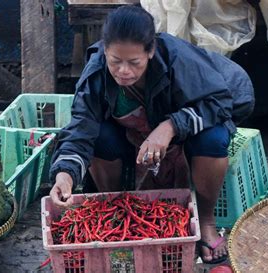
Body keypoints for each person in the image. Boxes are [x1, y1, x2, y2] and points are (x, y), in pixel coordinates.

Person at [49, 5, 254, 264]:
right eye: (115, 61)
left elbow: (220, 102)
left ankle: (206, 222)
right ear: (105, 52)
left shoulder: (177, 59)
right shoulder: (96, 72)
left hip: (197, 109)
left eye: (134, 62)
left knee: (211, 139)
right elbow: (81, 127)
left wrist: (169, 127)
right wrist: (65, 175)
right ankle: (116, 210)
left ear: (150, 51)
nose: (123, 71)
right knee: (99, 137)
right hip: (136, 129)